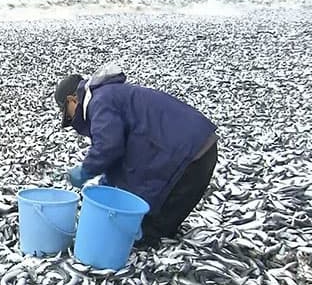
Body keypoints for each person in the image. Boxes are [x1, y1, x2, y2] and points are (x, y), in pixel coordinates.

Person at [54, 63, 218, 248]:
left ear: (72, 100)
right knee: (150, 222)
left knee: (150, 231)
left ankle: (160, 266)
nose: (68, 118)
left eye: (65, 112)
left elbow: (108, 146)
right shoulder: (107, 96)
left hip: (191, 154)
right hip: (190, 148)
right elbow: (120, 153)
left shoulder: (100, 102)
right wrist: (107, 185)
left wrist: (85, 170)